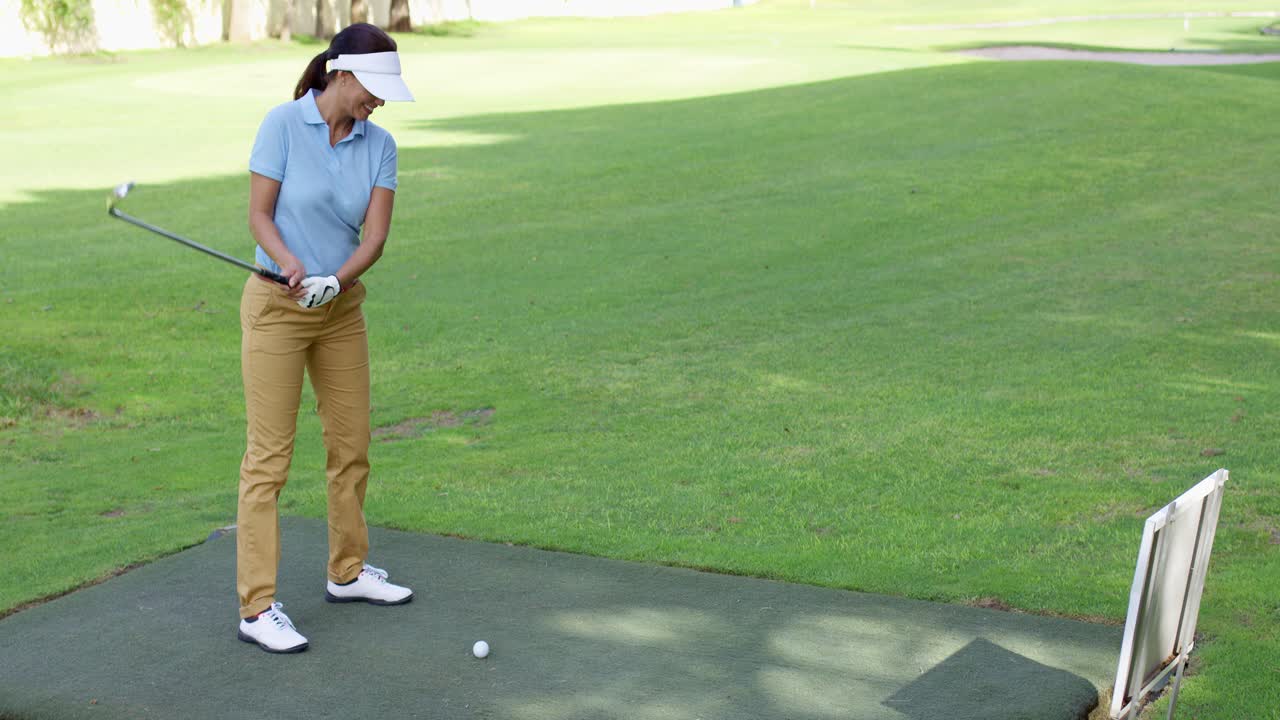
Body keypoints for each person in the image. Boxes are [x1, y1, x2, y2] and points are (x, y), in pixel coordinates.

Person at [235, 23, 415, 654]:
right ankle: (257, 608)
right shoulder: (282, 124)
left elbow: (374, 239)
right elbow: (260, 213)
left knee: (351, 443)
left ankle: (347, 571)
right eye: (374, 88)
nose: (381, 101)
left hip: (340, 310)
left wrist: (333, 283)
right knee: (269, 459)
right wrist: (288, 260)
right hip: (277, 307)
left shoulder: (382, 144)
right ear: (342, 75)